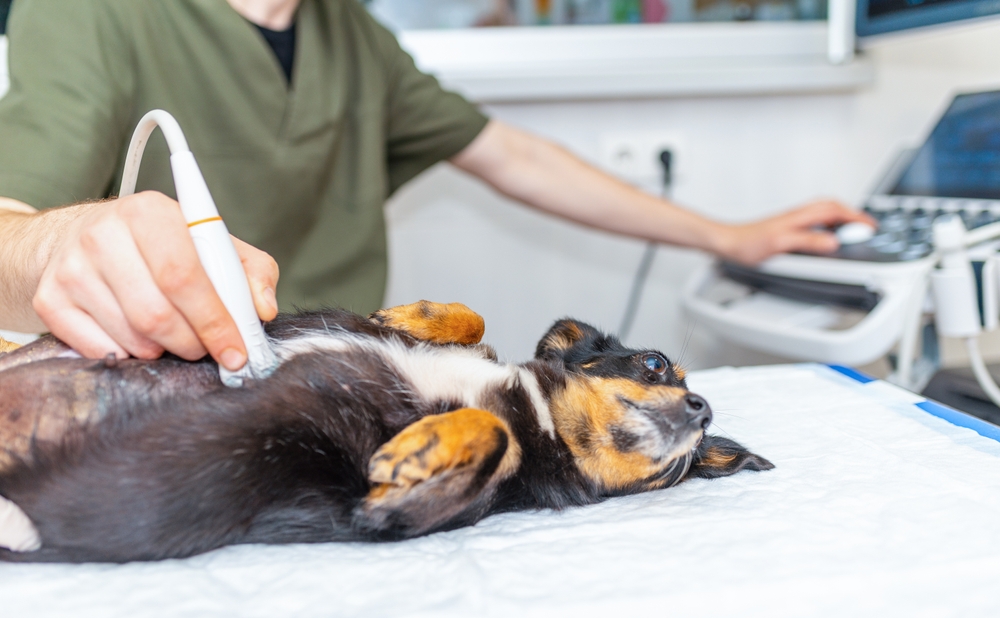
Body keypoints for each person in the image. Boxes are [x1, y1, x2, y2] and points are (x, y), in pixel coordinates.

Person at [0, 0, 872, 375]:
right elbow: (12, 226)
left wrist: (729, 238)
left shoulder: (352, 35)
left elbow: (511, 158)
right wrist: (47, 244)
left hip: (347, 379)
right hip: (184, 391)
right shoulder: (90, 12)